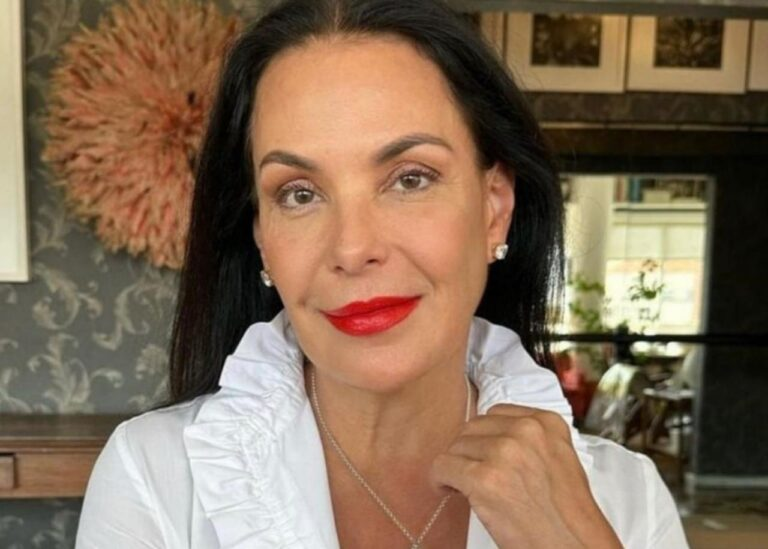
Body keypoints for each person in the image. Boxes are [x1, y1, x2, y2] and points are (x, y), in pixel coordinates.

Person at [75, 0, 689, 547]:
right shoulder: (154, 477)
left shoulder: (625, 498)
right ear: (261, 237)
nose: (353, 247)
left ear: (494, 208)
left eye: (410, 179)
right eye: (299, 193)